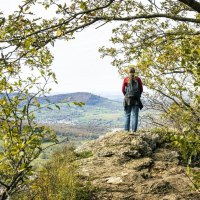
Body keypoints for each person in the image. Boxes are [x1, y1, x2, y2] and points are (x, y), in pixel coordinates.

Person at [122, 67, 143, 132]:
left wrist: (127, 96)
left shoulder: (126, 79)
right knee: (135, 115)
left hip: (128, 100)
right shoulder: (138, 79)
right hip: (136, 100)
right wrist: (137, 95)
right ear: (134, 72)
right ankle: (133, 131)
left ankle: (126, 130)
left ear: (128, 72)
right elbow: (141, 89)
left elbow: (123, 89)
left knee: (127, 115)